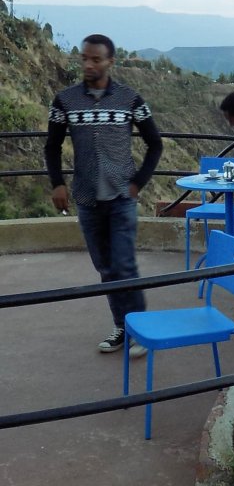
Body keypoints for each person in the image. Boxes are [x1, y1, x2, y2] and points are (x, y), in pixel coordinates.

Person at [44, 34, 163, 357]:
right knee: (106, 268)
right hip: (86, 198)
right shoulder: (65, 101)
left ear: (111, 61)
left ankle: (140, 331)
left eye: (95, 59)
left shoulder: (130, 99)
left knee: (124, 265)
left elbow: (155, 143)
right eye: (84, 58)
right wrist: (57, 183)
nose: (88, 64)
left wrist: (138, 182)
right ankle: (122, 327)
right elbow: (52, 146)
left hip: (122, 197)